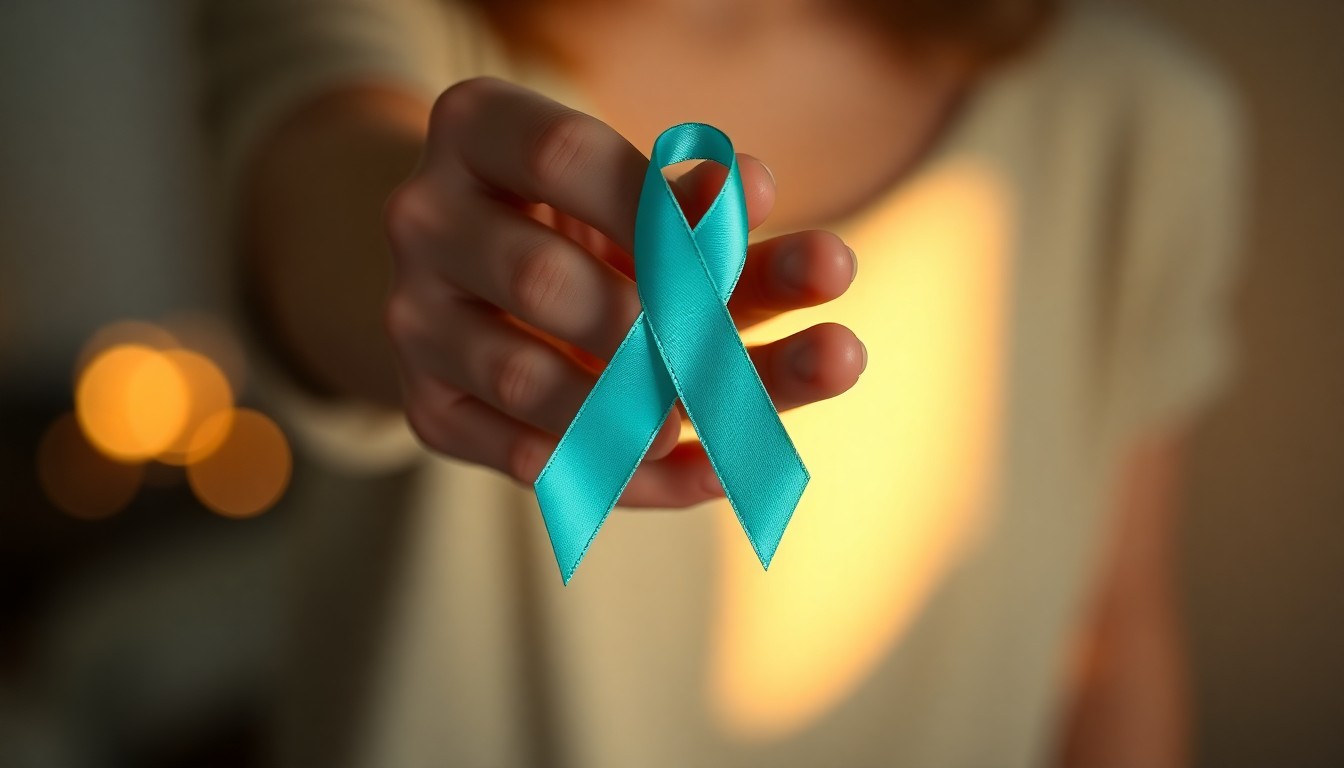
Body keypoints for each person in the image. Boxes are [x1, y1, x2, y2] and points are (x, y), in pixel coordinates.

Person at [203, 0, 1244, 765]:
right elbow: (335, 203)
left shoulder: (1139, 128)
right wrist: (428, 282)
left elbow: (1110, 636)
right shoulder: (393, 29)